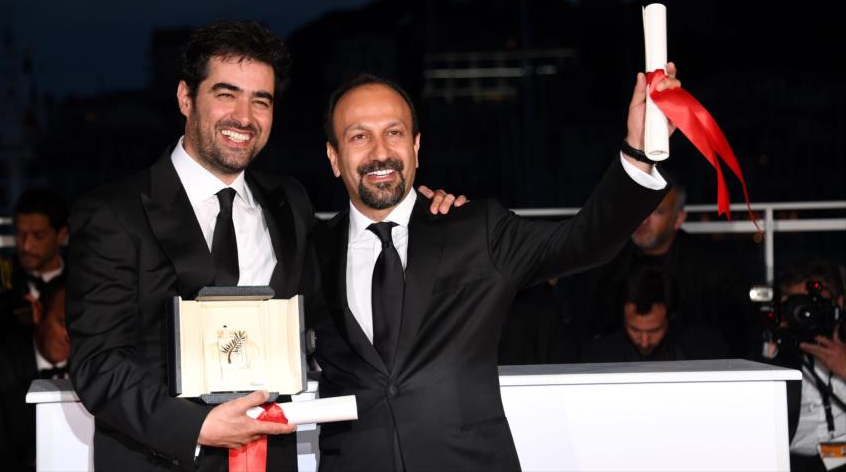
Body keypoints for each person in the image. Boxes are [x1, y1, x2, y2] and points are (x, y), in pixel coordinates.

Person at [65, 19, 460, 472]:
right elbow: (98, 362)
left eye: (261, 101)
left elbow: (334, 300)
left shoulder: (288, 202)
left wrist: (421, 215)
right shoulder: (114, 213)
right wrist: (196, 427)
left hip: (273, 459)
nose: (244, 117)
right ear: (185, 98)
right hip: (162, 459)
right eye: (226, 94)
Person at [307, 65, 680, 471]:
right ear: (334, 157)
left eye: (394, 132)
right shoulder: (310, 249)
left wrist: (638, 152)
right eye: (359, 136)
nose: (380, 152)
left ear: (416, 146)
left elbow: (585, 240)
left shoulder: (475, 228)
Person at [572, 183, 753, 356]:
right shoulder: (603, 264)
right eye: (637, 210)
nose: (642, 220)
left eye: (656, 212)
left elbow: (739, 331)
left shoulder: (713, 265)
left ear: (678, 219)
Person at [0, 277, 69, 472]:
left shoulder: (99, 366)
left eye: (78, 328)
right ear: (38, 312)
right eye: (63, 323)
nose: (70, 337)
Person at [759, 260, 846, 472]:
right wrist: (772, 352)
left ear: (839, 304)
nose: (806, 314)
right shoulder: (769, 348)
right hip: (792, 463)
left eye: (814, 304)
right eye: (799, 305)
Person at [0, 188, 68, 338]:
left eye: (38, 236)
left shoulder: (82, 282)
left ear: (61, 235)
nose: (26, 245)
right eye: (20, 234)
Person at [581, 265, 728, 362]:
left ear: (671, 318)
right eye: (635, 330)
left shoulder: (704, 352)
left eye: (654, 330)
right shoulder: (598, 357)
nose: (644, 341)